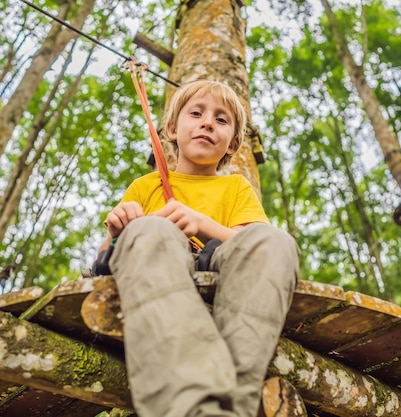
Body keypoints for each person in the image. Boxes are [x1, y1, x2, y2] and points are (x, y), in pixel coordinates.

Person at [92, 80, 300, 417]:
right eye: (197, 113)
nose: (207, 123)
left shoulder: (235, 187)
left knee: (277, 240)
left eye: (221, 120)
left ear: (232, 144)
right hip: (158, 264)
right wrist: (119, 233)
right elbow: (106, 255)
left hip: (218, 265)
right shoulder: (146, 186)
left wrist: (200, 222)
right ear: (172, 129)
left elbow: (255, 244)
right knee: (150, 228)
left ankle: (228, 406)